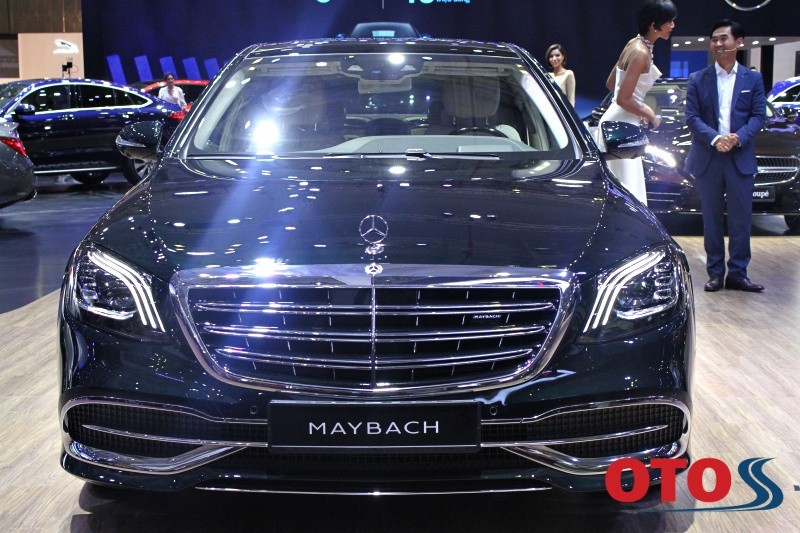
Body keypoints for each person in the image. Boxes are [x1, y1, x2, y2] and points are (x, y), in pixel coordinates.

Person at [685, 19, 767, 293]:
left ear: (738, 42)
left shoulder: (753, 79)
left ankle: (738, 274)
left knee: (741, 219)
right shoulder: (698, 79)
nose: (718, 44)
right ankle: (715, 273)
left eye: (724, 38)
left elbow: (758, 116)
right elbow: (692, 117)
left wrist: (737, 137)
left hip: (740, 156)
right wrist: (716, 138)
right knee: (711, 219)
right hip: (708, 157)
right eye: (714, 40)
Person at [598, 0, 677, 206]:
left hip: (616, 120)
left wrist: (638, 108)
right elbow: (623, 98)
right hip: (623, 127)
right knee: (628, 194)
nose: (672, 25)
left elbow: (611, 84)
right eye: (669, 21)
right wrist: (648, 113)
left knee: (620, 191)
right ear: (654, 24)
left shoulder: (633, 44)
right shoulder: (641, 53)